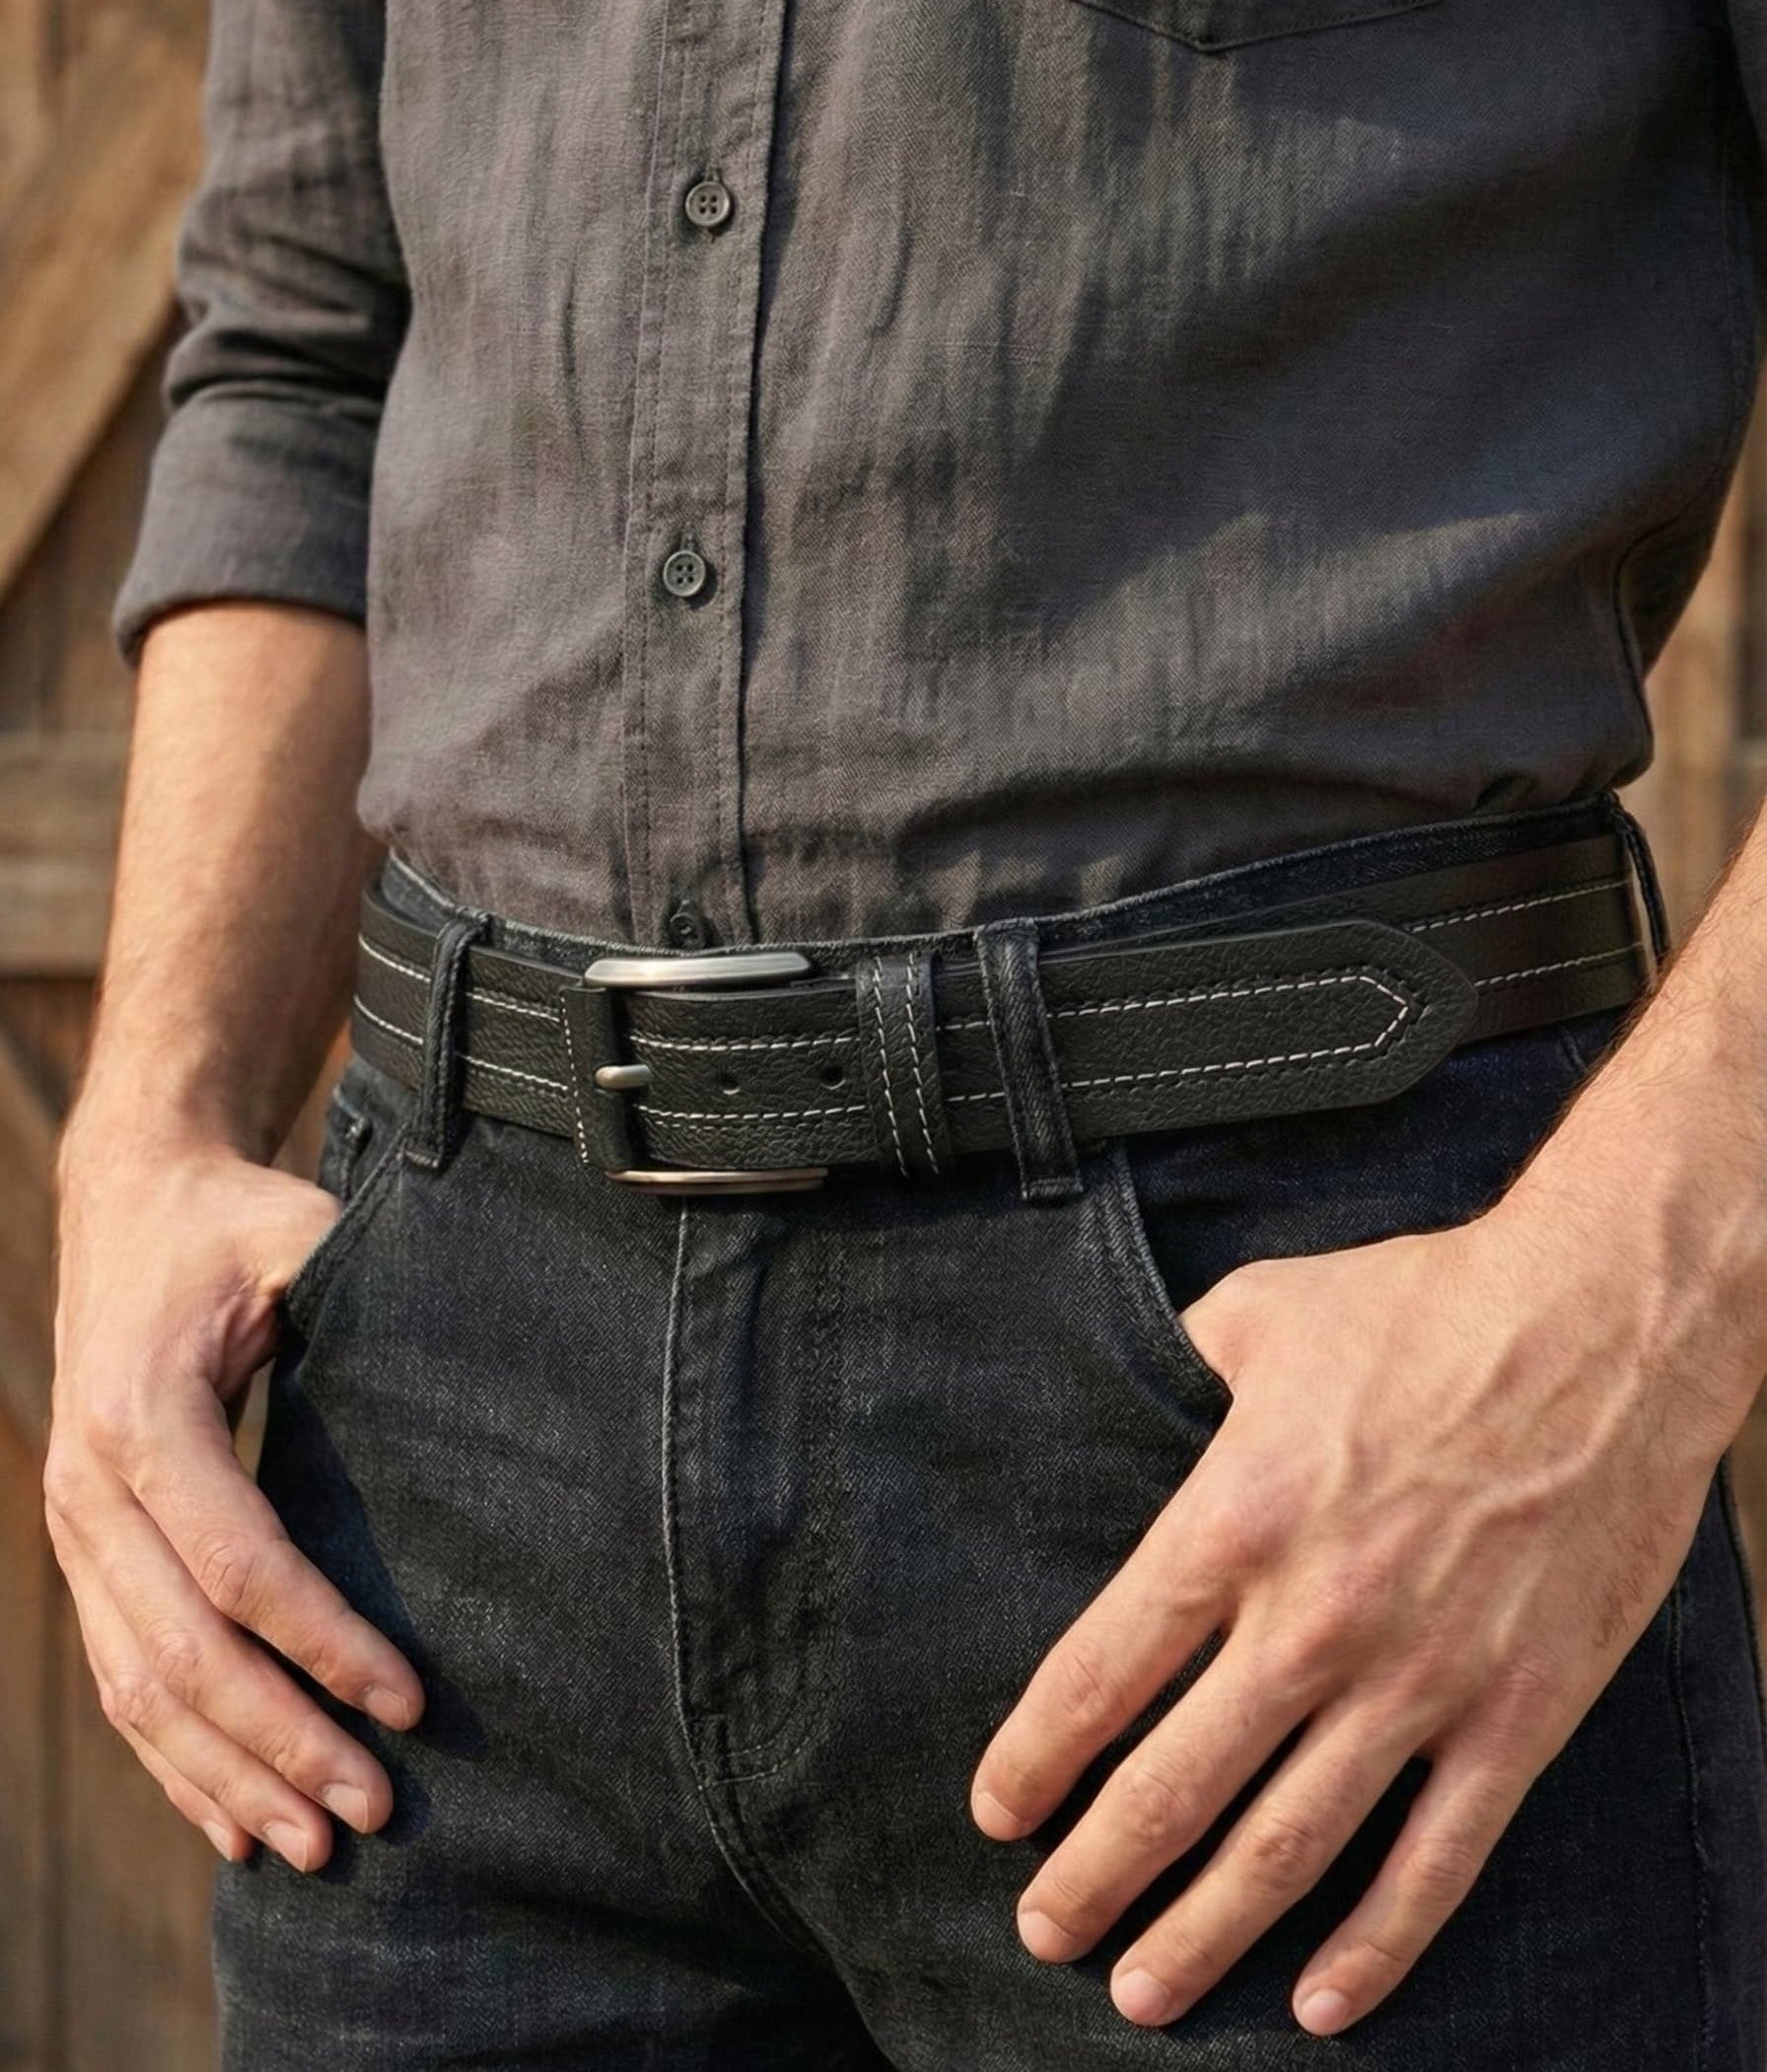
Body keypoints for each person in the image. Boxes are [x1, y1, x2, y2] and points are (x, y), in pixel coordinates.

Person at [44, 1, 1767, 2064]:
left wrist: (1619, 1316)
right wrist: (143, 1121)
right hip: (439, 1457)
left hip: (1281, 1423)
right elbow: (310, 338)